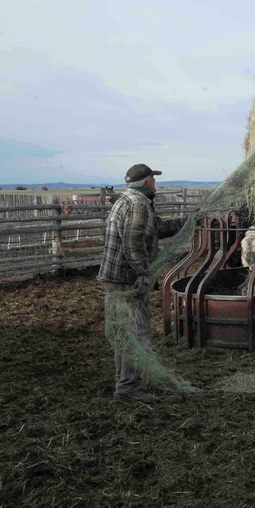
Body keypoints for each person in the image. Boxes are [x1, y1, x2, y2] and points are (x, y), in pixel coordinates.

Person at [97, 163, 163, 403]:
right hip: (127, 279)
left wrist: (190, 221)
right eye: (153, 180)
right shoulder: (138, 204)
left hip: (116, 277)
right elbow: (133, 241)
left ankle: (124, 383)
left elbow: (157, 229)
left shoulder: (127, 200)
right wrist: (143, 274)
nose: (156, 184)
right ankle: (128, 388)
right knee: (135, 332)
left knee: (123, 332)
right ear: (146, 183)